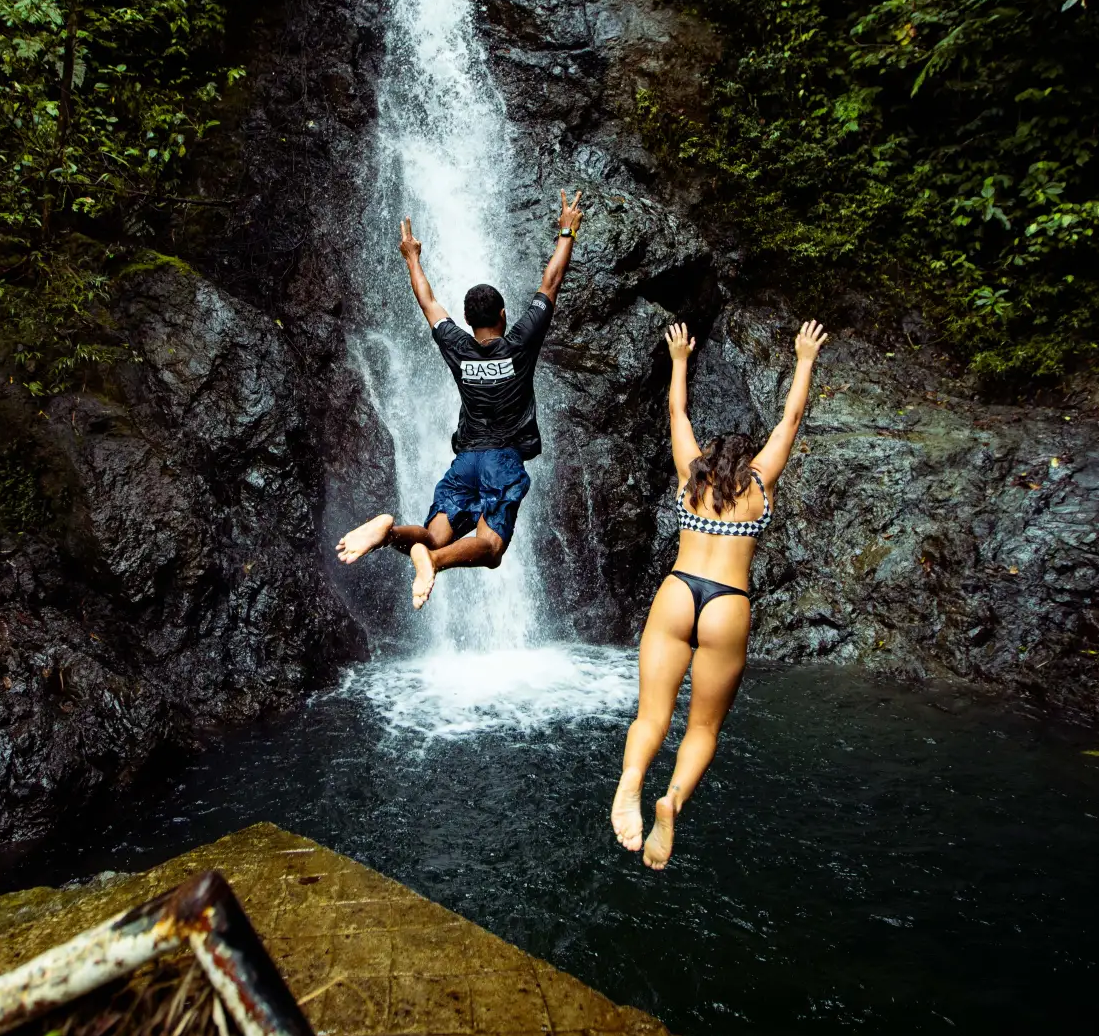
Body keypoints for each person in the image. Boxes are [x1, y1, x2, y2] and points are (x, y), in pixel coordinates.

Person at [612, 317, 827, 869]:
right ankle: (673, 801)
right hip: (727, 603)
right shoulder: (759, 484)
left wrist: (680, 360)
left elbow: (676, 414)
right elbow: (791, 420)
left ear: (710, 457)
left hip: (679, 591)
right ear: (745, 460)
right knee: (703, 726)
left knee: (650, 717)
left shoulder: (691, 476)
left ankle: (632, 779)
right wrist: (804, 359)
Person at [334, 190, 585, 609]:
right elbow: (551, 282)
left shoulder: (458, 346)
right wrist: (566, 230)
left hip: (465, 460)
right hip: (501, 459)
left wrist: (412, 257)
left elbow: (428, 302)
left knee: (433, 531)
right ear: (503, 316)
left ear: (467, 322)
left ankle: (389, 534)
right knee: (490, 550)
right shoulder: (520, 344)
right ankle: (431, 560)